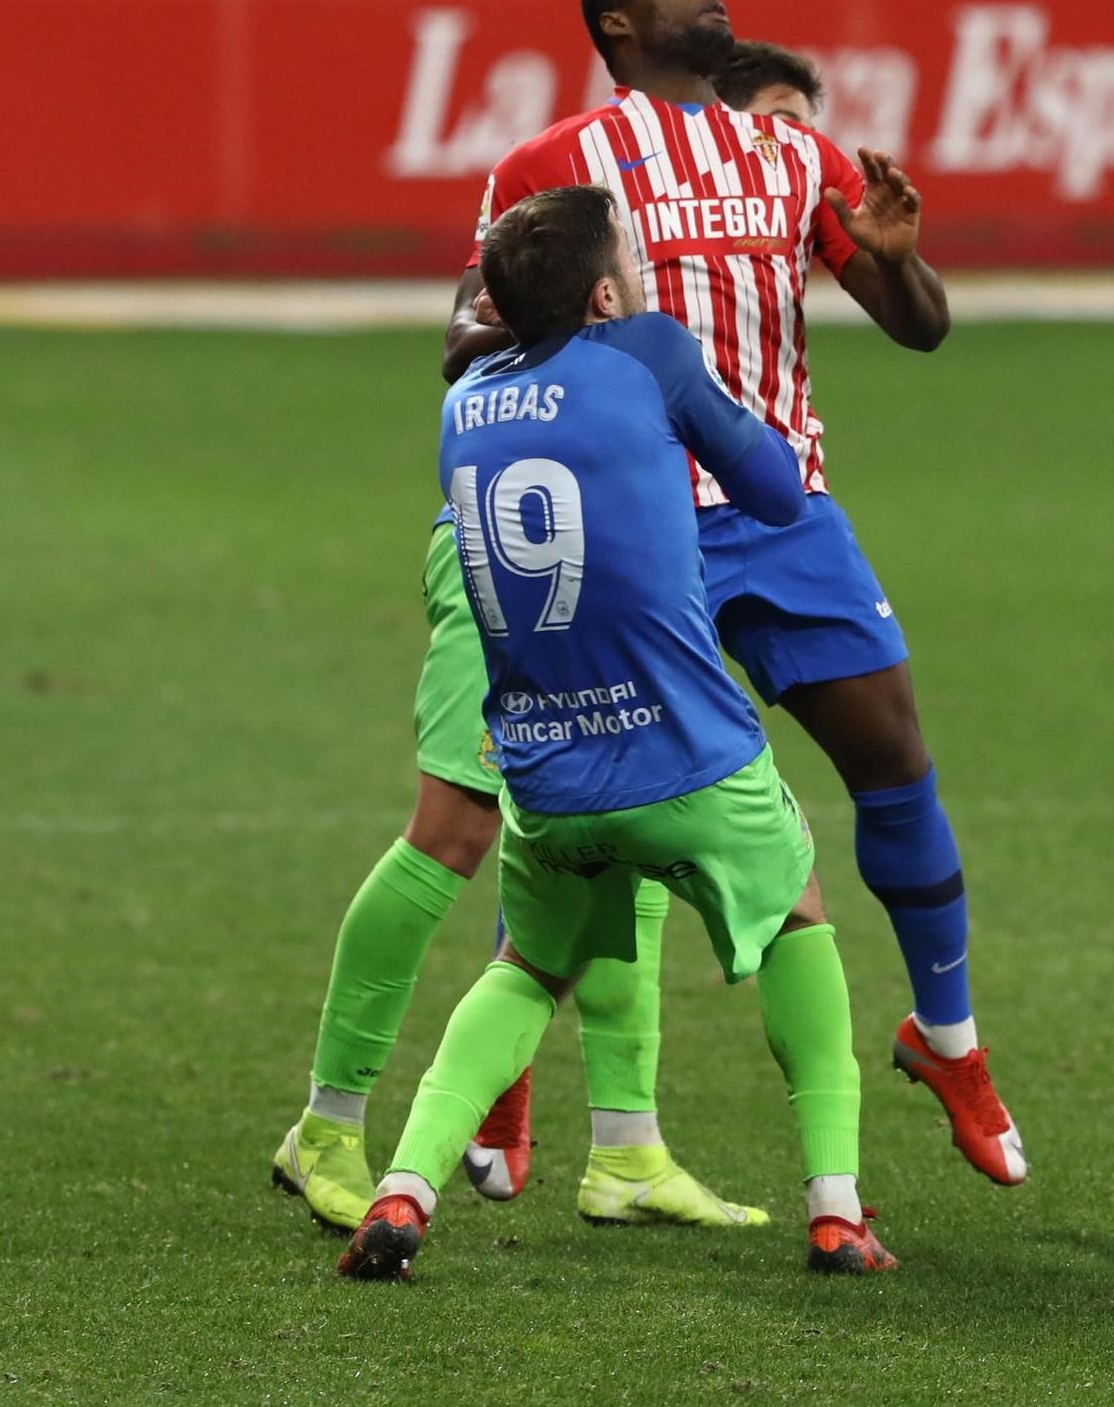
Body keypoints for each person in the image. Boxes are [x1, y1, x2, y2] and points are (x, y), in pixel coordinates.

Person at [445, 0, 1027, 1189]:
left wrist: (896, 252)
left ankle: (949, 1038)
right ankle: (503, 1098)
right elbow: (463, 340)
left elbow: (917, 328)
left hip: (778, 510)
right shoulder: (551, 166)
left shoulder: (793, 155)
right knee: (593, 797)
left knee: (894, 756)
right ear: (613, 22)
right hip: (625, 528)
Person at [272, 39, 841, 1235]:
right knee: (453, 825)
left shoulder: (537, 328)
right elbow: (478, 344)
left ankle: (626, 1147)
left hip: (581, 545)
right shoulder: (583, 282)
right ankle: (327, 1118)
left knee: (619, 800)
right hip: (525, 560)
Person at [338, 186, 894, 1280]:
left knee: (524, 966)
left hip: (544, 774)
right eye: (631, 258)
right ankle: (835, 1205)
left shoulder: (464, 403)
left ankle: (403, 1189)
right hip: (687, 751)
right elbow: (777, 493)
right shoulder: (647, 347)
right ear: (603, 291)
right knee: (797, 913)